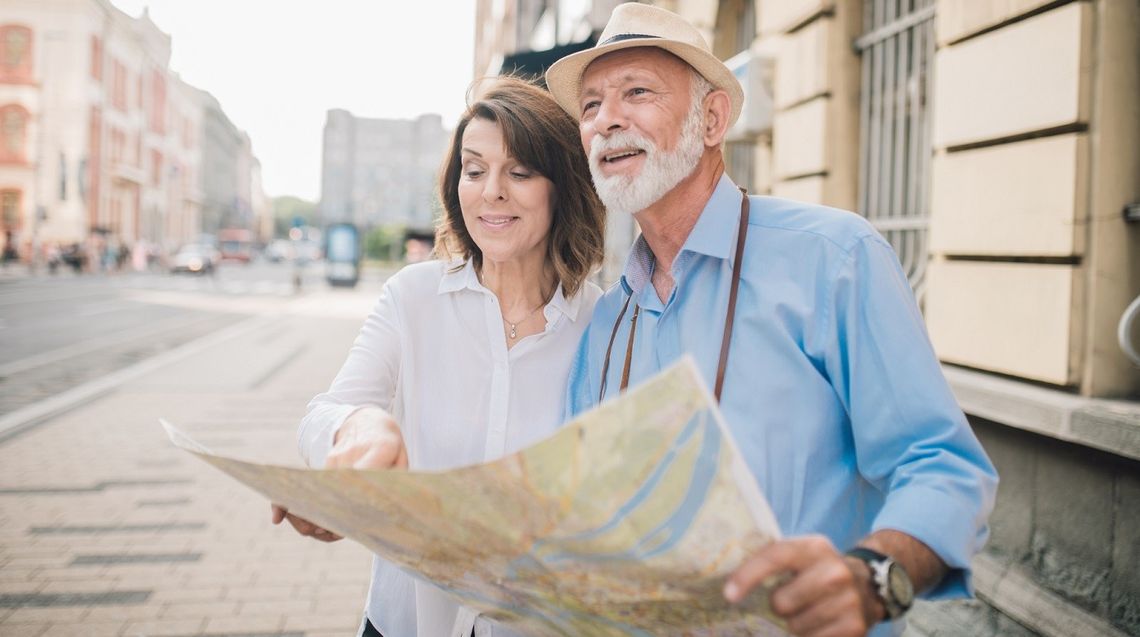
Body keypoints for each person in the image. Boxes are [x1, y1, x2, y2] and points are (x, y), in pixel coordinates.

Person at [544, 4, 998, 637]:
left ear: (712, 119)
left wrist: (871, 577)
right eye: (590, 106)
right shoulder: (607, 322)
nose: (606, 120)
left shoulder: (833, 258)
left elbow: (943, 467)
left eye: (636, 92)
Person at [272, 76, 605, 637]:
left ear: (563, 187)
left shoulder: (605, 322)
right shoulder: (413, 297)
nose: (491, 192)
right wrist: (359, 433)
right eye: (474, 171)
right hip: (409, 620)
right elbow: (322, 415)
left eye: (520, 172)